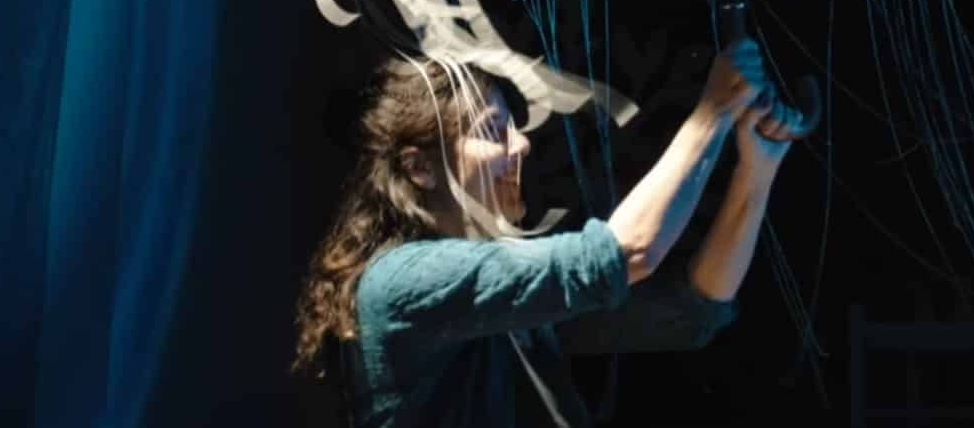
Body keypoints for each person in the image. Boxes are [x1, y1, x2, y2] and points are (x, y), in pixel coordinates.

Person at [291, 39, 809, 427]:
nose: (521, 146)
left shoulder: (493, 300)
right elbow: (627, 250)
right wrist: (711, 114)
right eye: (491, 132)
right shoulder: (405, 279)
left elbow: (690, 312)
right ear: (419, 168)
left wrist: (756, 172)